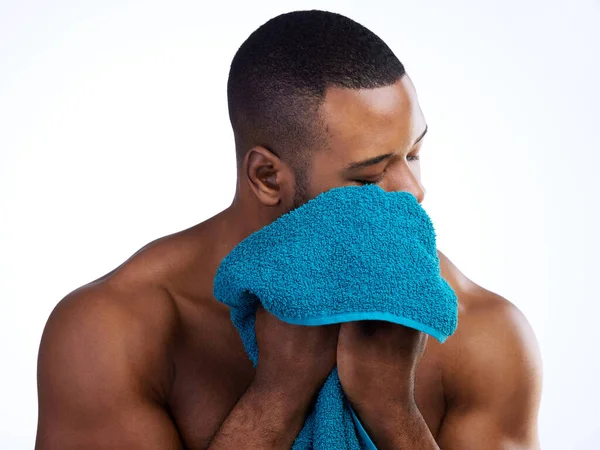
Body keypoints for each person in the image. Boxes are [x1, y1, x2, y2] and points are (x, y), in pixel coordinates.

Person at [35, 10, 543, 449]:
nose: (412, 191)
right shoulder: (111, 331)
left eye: (414, 153)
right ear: (266, 176)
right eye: (369, 175)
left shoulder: (482, 333)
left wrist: (393, 413)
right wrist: (276, 399)